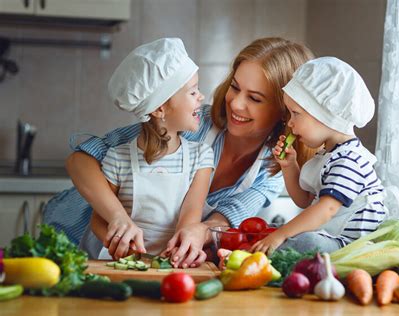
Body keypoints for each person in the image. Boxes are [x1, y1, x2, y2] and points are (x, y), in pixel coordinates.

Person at [44, 37, 315, 268]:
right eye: (235, 87)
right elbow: (81, 159)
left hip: (148, 259)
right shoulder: (192, 122)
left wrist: (199, 232)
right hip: (81, 235)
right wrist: (117, 217)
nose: (236, 104)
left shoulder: (273, 166)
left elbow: (228, 216)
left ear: (284, 110)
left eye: (255, 98)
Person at [83, 38, 214, 260]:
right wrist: (121, 247)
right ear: (160, 109)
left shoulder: (200, 157)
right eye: (192, 92)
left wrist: (176, 252)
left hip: (172, 262)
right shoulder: (118, 158)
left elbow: (190, 217)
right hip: (120, 262)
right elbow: (98, 219)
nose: (201, 96)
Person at [251, 57, 388, 255]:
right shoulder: (328, 155)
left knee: (304, 242)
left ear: (325, 114)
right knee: (296, 238)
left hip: (351, 246)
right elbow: (305, 201)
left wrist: (281, 234)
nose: (290, 123)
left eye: (295, 113)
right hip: (332, 239)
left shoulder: (349, 160)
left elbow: (327, 210)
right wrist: (289, 166)